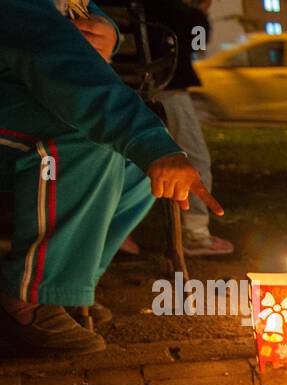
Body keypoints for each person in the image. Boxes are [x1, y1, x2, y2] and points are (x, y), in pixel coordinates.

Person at [0, 0, 220, 355]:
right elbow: (61, 62)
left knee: (134, 165)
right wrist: (153, 145)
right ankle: (29, 296)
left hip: (19, 94)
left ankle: (68, 285)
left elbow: (71, 12)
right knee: (88, 140)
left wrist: (105, 29)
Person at [143, 0, 232, 256]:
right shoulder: (172, 10)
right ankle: (196, 234)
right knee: (193, 157)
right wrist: (199, 12)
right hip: (164, 85)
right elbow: (197, 41)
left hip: (121, 83)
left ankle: (114, 234)